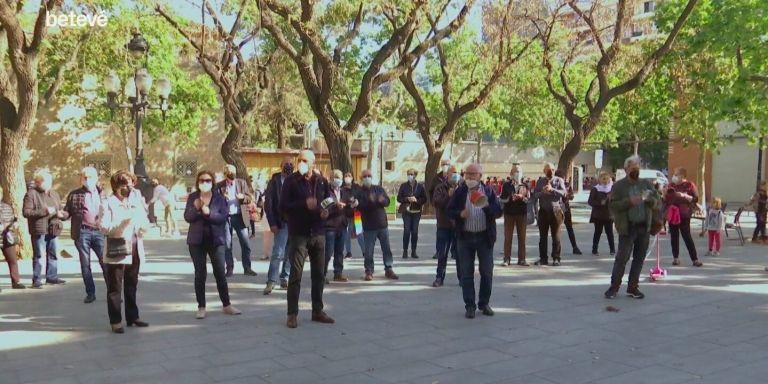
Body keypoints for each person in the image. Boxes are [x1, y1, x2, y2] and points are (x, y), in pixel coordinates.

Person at [280, 150, 335, 328]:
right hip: (299, 233)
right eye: (299, 160)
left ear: (313, 162)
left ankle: (317, 310)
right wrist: (303, 204)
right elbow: (283, 206)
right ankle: (292, 314)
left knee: (319, 274)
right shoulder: (291, 181)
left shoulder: (321, 181)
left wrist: (327, 211)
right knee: (296, 275)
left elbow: (329, 200)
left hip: (318, 232)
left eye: (305, 160)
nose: (301, 163)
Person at [447, 163, 503, 318]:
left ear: (480, 176)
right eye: (467, 174)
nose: (470, 177)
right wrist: (460, 214)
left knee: (486, 272)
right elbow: (449, 210)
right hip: (465, 238)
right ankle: (469, 305)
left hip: (484, 237)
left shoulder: (488, 191)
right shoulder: (460, 192)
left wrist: (484, 205)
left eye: (473, 174)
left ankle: (484, 303)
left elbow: (498, 212)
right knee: (466, 273)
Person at [185, 170, 241, 319]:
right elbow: (188, 217)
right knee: (200, 274)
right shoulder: (193, 197)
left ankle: (226, 305)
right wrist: (196, 208)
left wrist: (208, 212)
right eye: (202, 180)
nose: (205, 183)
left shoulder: (219, 198)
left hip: (216, 240)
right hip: (197, 241)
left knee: (220, 273)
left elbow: (223, 217)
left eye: (208, 180)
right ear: (198, 182)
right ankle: (201, 306)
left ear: (212, 182)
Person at [99, 171, 150, 333]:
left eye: (131, 184)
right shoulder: (107, 203)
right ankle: (115, 320)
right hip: (118, 248)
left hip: (135, 246)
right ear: (116, 188)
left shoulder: (134, 200)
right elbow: (104, 228)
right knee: (115, 287)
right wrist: (122, 223)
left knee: (132, 284)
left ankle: (133, 316)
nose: (129, 188)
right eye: (124, 185)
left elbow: (144, 218)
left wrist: (144, 226)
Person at [605, 155, 659, 299]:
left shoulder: (646, 184)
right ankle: (614, 287)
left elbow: (657, 201)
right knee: (622, 258)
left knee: (639, 259)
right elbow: (613, 206)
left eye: (638, 167)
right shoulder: (618, 186)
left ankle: (633, 287)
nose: (636, 170)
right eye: (633, 168)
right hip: (627, 227)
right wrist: (629, 201)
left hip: (644, 227)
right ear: (626, 169)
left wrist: (650, 200)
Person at [61, 167, 105, 303]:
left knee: (106, 263)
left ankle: (113, 292)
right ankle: (90, 293)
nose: (87, 180)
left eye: (90, 177)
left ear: (96, 178)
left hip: (99, 232)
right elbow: (68, 212)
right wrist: (62, 215)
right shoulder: (74, 194)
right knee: (85, 264)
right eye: (85, 177)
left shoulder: (103, 194)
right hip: (82, 232)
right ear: (81, 179)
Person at [22, 169, 66, 288]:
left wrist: (63, 214)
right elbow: (26, 212)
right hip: (39, 229)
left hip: (53, 228)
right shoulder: (31, 194)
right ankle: (36, 279)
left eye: (48, 181)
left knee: (53, 254)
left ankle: (51, 277)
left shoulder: (54, 194)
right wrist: (44, 211)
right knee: (39, 255)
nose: (38, 183)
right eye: (38, 181)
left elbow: (60, 209)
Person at [357, 169, 399, 281]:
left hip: (382, 224)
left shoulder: (379, 189)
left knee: (386, 249)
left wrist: (381, 200)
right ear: (361, 178)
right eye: (365, 176)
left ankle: (389, 269)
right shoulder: (359, 192)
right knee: (369, 251)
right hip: (369, 226)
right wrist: (373, 201)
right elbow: (360, 206)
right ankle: (369, 271)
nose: (367, 178)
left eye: (369, 175)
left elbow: (387, 202)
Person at [217, 164, 256, 277]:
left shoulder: (241, 183)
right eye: (228, 172)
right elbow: (215, 201)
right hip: (226, 217)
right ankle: (229, 268)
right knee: (227, 244)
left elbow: (249, 198)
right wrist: (222, 197)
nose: (231, 174)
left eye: (232, 172)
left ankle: (247, 268)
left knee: (245, 243)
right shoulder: (220, 186)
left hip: (239, 216)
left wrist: (243, 197)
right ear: (225, 174)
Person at [263, 156, 293, 295]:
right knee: (278, 252)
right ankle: (271, 281)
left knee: (290, 252)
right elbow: (268, 204)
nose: (288, 166)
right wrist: (272, 223)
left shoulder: (297, 180)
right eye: (286, 164)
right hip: (281, 223)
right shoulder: (274, 182)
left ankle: (284, 277)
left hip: (295, 223)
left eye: (291, 164)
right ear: (281, 165)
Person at [665, 167, 703, 267]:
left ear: (682, 176)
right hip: (673, 214)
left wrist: (684, 195)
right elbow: (666, 198)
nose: (674, 176)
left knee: (687, 236)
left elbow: (695, 199)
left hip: (684, 214)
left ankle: (694, 259)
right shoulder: (671, 185)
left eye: (676, 174)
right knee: (674, 236)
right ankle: (675, 258)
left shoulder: (689, 185)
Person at [532, 163, 567, 266]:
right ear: (544, 170)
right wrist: (543, 192)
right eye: (548, 169)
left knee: (556, 236)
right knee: (543, 237)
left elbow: (564, 193)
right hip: (543, 211)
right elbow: (535, 195)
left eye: (552, 169)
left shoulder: (559, 180)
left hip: (556, 211)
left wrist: (552, 190)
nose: (550, 171)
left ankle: (556, 258)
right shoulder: (540, 181)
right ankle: (543, 258)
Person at [432, 165, 460, 287]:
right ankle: (439, 277)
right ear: (447, 175)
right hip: (444, 225)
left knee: (460, 254)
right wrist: (448, 195)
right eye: (452, 173)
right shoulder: (440, 188)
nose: (455, 175)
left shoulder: (462, 188)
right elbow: (436, 202)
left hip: (458, 226)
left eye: (456, 173)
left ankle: (462, 279)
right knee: (442, 253)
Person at [500, 166, 530, 266]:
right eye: (515, 171)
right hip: (509, 214)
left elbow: (529, 200)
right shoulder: (506, 185)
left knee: (522, 238)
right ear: (511, 173)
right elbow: (502, 199)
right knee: (508, 238)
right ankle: (507, 259)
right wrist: (509, 198)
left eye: (519, 171)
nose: (517, 173)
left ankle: (522, 259)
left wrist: (522, 197)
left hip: (522, 214)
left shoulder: (525, 185)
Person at [323, 170, 349, 283]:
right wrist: (335, 206)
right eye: (335, 177)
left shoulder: (344, 192)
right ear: (331, 178)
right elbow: (323, 205)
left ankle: (338, 273)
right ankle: (322, 275)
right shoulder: (326, 190)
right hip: (329, 226)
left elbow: (348, 206)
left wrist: (352, 205)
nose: (337, 179)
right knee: (327, 253)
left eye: (339, 177)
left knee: (339, 251)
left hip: (342, 225)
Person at [397, 168, 427, 259]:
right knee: (406, 231)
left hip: (416, 211)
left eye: (412, 174)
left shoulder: (420, 186)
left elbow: (425, 198)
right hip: (406, 211)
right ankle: (405, 251)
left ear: (415, 175)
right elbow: (399, 198)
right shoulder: (403, 186)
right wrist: (407, 199)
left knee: (414, 231)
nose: (410, 176)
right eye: (408, 174)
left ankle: (413, 251)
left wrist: (417, 200)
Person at [555, 170, 583, 255]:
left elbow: (571, 196)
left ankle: (574, 247)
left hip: (566, 209)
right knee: (556, 230)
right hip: (557, 208)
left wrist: (569, 195)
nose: (561, 179)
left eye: (562, 178)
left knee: (569, 228)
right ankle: (556, 249)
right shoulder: (554, 184)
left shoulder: (567, 185)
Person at [588, 172, 615, 257]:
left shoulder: (612, 189)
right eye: (603, 179)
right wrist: (600, 203)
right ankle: (594, 250)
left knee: (609, 232)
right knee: (597, 232)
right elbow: (590, 201)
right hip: (598, 215)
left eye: (607, 178)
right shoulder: (595, 189)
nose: (605, 181)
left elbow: (616, 201)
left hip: (609, 215)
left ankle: (612, 250)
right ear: (599, 179)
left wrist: (611, 200)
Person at [429, 159, 452, 259]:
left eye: (447, 164)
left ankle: (454, 251)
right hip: (441, 209)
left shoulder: (455, 177)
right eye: (443, 164)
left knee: (455, 231)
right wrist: (433, 202)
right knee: (440, 231)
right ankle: (439, 251)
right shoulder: (437, 178)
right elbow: (430, 190)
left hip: (453, 209)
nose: (445, 166)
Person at [1, 200, 24, 290]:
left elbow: (13, 219)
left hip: (7, 237)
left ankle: (16, 281)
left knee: (12, 260)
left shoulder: (7, 207)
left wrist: (14, 224)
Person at [342, 172, 364, 259]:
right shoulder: (342, 189)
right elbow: (341, 200)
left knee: (359, 233)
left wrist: (357, 201)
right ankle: (348, 252)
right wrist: (348, 204)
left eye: (349, 176)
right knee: (346, 234)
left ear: (352, 178)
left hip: (356, 213)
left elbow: (362, 197)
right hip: (346, 215)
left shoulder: (357, 187)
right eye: (346, 176)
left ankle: (364, 251)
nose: (347, 177)